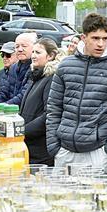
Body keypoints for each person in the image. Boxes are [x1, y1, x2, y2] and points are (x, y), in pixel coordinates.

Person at [46, 12, 107, 175]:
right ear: (83, 38)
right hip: (64, 149)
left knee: (96, 200)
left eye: (105, 38)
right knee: (62, 199)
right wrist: (54, 146)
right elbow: (54, 108)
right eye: (95, 38)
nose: (101, 43)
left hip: (99, 152)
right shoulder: (65, 66)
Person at [21, 38, 60, 167]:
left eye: (38, 52)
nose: (33, 56)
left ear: (50, 56)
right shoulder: (35, 76)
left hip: (41, 150)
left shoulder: (51, 78)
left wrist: (22, 131)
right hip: (29, 146)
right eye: (32, 52)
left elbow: (48, 114)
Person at [0, 32, 37, 110]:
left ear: (34, 48)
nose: (20, 49)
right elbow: (4, 92)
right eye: (17, 46)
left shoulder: (36, 69)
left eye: (24, 46)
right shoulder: (13, 68)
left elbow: (23, 95)